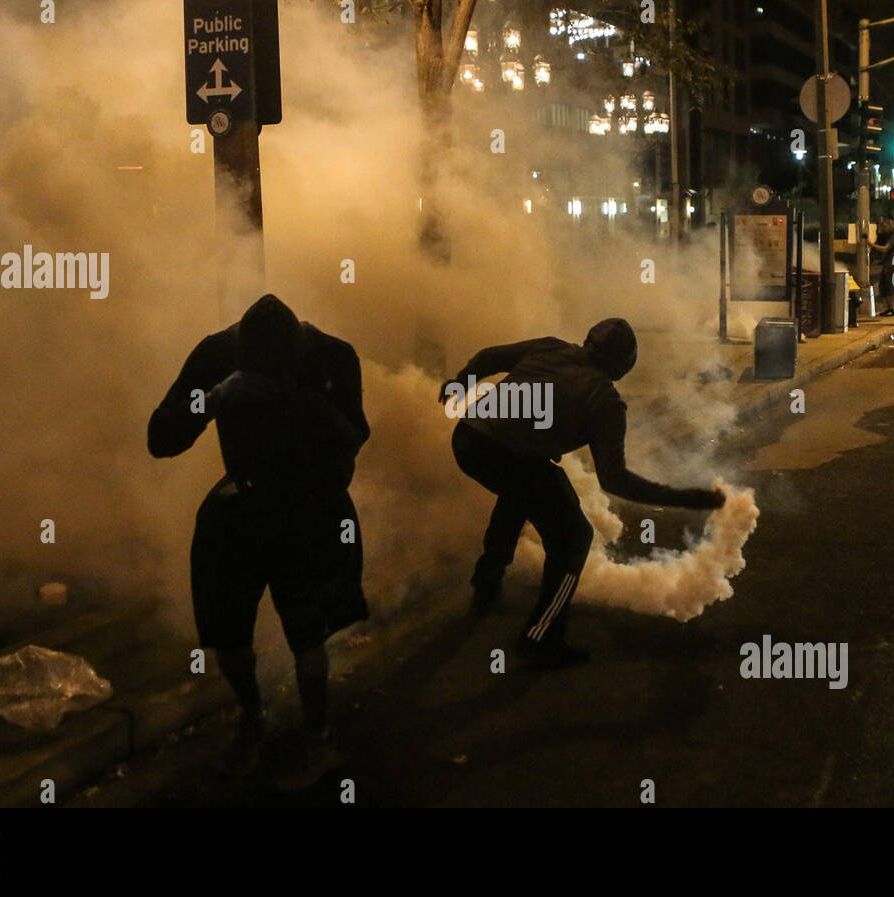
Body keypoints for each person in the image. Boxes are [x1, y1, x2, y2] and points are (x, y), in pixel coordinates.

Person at [148, 294, 370, 776]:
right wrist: (210, 399)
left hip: (310, 505)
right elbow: (161, 438)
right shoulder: (217, 355)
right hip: (243, 503)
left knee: (308, 634)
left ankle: (317, 731)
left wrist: (297, 400)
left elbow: (355, 435)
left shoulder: (333, 355)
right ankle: (253, 713)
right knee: (228, 635)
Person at [440, 318, 725, 668]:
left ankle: (487, 582)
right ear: (623, 366)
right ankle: (540, 637)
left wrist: (460, 384)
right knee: (574, 536)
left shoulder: (550, 346)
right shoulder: (605, 402)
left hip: (468, 438)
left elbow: (487, 358)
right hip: (509, 454)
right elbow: (615, 480)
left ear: (588, 342)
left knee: (522, 490)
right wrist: (685, 499)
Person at [872, 217, 894, 316]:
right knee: (883, 286)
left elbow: (885, 248)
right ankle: (888, 308)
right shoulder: (886, 236)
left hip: (892, 264)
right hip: (888, 263)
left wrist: (870, 244)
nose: (885, 225)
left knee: (890, 287)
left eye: (888, 223)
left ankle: (891, 308)